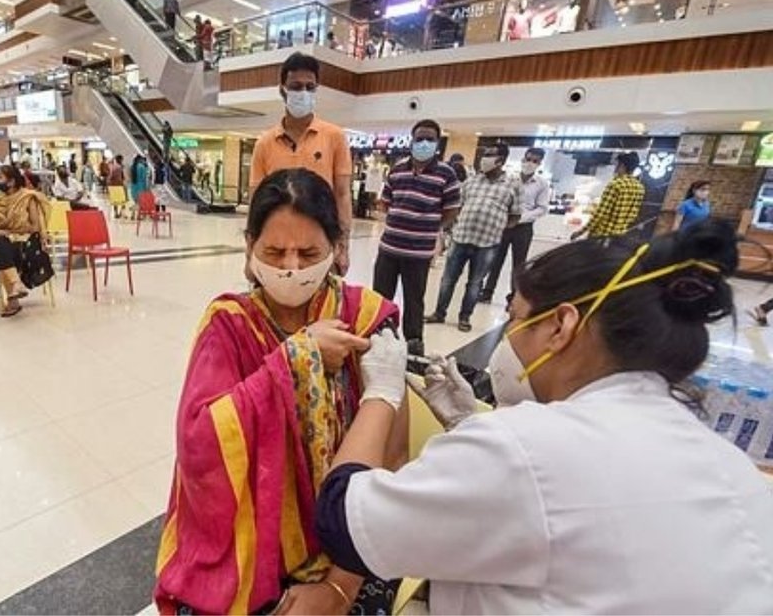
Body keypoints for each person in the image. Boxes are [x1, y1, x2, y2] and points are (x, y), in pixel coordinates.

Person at [314, 221, 773, 614]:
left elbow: (342, 521)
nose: (508, 337)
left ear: (561, 326)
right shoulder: (727, 461)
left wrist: (382, 391)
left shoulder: (523, 449)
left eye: (515, 318)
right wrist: (468, 424)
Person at [154, 169, 408, 615]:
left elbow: (392, 459)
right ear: (249, 247)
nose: (292, 267)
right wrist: (296, 360)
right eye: (274, 252)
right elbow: (199, 442)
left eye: (309, 253)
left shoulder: (367, 319)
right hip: (244, 537)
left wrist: (340, 587)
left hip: (350, 546)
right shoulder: (228, 324)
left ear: (337, 248)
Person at [250, 52, 353, 274]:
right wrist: (250, 254)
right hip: (276, 248)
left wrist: (343, 247)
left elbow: (343, 195)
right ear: (282, 90)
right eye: (296, 86)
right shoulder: (264, 143)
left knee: (324, 297)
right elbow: (255, 203)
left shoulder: (334, 137)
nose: (303, 92)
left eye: (310, 87)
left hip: (319, 246)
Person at [373, 119, 460, 357]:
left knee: (414, 299)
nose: (424, 143)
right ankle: (379, 336)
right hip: (389, 248)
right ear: (412, 140)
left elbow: (452, 209)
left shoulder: (446, 174)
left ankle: (413, 345)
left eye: (429, 139)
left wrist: (432, 227)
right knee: (380, 297)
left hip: (418, 252)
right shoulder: (398, 169)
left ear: (437, 143)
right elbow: (386, 201)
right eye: (419, 138)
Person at [427, 142, 520, 332]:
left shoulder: (512, 185)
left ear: (501, 160)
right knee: (448, 279)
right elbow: (457, 206)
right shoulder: (471, 181)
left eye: (490, 155)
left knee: (475, 283)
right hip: (461, 237)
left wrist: (499, 228)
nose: (485, 159)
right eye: (485, 154)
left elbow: (515, 215)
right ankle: (439, 313)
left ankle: (465, 317)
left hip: (487, 243)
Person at [479, 146, 550, 306]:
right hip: (505, 224)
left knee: (519, 263)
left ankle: (513, 296)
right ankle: (487, 292)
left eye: (535, 161)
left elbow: (542, 208)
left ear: (539, 164)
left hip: (524, 228)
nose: (530, 163)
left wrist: (522, 218)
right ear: (523, 159)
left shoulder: (542, 184)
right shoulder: (510, 178)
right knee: (496, 259)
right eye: (528, 159)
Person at [0, 165, 52, 317]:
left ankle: (14, 299)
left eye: (0, 178)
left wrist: (12, 231)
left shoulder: (27, 197)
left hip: (28, 240)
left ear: (11, 181)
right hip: (6, 240)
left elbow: (35, 226)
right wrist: (3, 231)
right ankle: (16, 285)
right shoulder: (0, 201)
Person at [571, 151, 645, 241]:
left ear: (622, 166)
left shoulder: (615, 185)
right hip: (619, 237)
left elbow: (600, 213)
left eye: (617, 165)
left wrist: (580, 232)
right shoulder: (640, 188)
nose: (615, 168)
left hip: (601, 236)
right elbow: (633, 215)